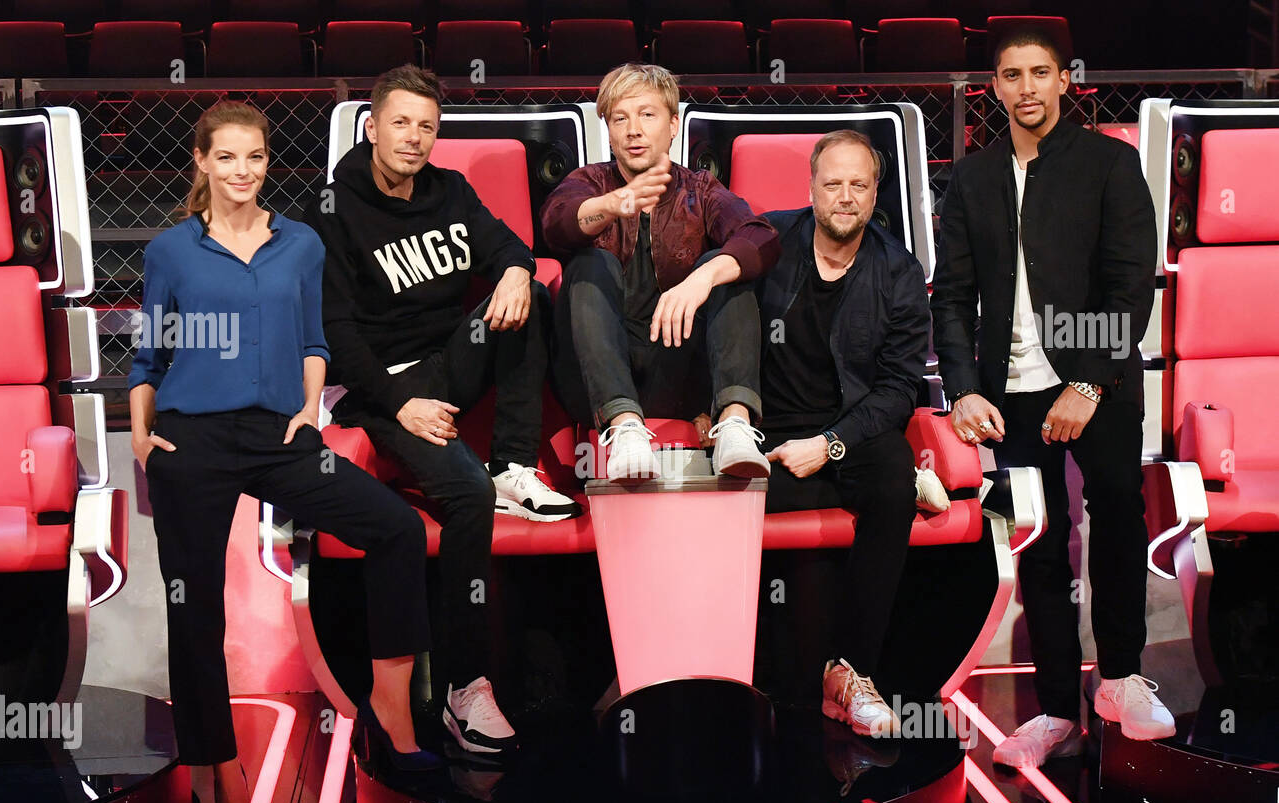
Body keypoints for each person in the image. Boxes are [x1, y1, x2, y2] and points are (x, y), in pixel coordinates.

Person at [129, 102, 438, 803]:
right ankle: (222, 769)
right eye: (227, 158)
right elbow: (147, 356)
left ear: (270, 162)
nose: (243, 171)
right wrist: (142, 438)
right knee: (194, 607)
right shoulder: (171, 252)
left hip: (280, 435)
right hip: (191, 439)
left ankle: (390, 705)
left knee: (394, 527)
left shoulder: (299, 244)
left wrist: (308, 406)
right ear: (201, 163)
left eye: (256, 158)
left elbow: (313, 337)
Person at [304, 65, 576, 756]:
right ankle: (465, 687)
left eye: (427, 126)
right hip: (381, 389)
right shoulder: (334, 208)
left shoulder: (450, 190)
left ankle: (516, 463)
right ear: (372, 127)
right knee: (464, 493)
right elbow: (336, 332)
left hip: (447, 362)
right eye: (401, 123)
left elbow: (509, 248)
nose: (415, 138)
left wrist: (516, 269)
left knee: (529, 294)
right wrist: (401, 403)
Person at [930, 30, 1170, 769]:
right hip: (1009, 394)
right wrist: (965, 390)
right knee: (1036, 536)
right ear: (993, 87)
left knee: (1118, 514)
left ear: (1065, 81)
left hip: (1096, 380)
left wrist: (1090, 381)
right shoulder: (971, 179)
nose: (1027, 86)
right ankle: (1058, 707)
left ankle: (1122, 677)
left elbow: (1132, 286)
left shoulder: (1109, 163)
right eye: (1012, 75)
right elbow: (954, 297)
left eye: (1040, 72)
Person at [757, 130, 931, 737]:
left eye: (859, 184)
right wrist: (720, 410)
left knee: (890, 479)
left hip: (848, 436)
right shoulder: (767, 243)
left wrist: (829, 445)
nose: (846, 196)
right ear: (811, 188)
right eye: (833, 184)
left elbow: (898, 390)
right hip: (766, 435)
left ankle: (851, 673)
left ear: (876, 192)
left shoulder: (899, 272)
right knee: (720, 497)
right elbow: (717, 330)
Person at [540, 63, 780, 480]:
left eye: (647, 115)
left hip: (678, 370)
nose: (633, 130)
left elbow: (761, 238)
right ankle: (624, 426)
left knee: (725, 266)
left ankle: (736, 424)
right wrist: (613, 204)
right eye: (621, 118)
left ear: (672, 126)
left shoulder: (701, 190)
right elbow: (556, 222)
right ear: (609, 132)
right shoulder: (590, 182)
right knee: (589, 261)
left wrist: (704, 277)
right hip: (595, 377)